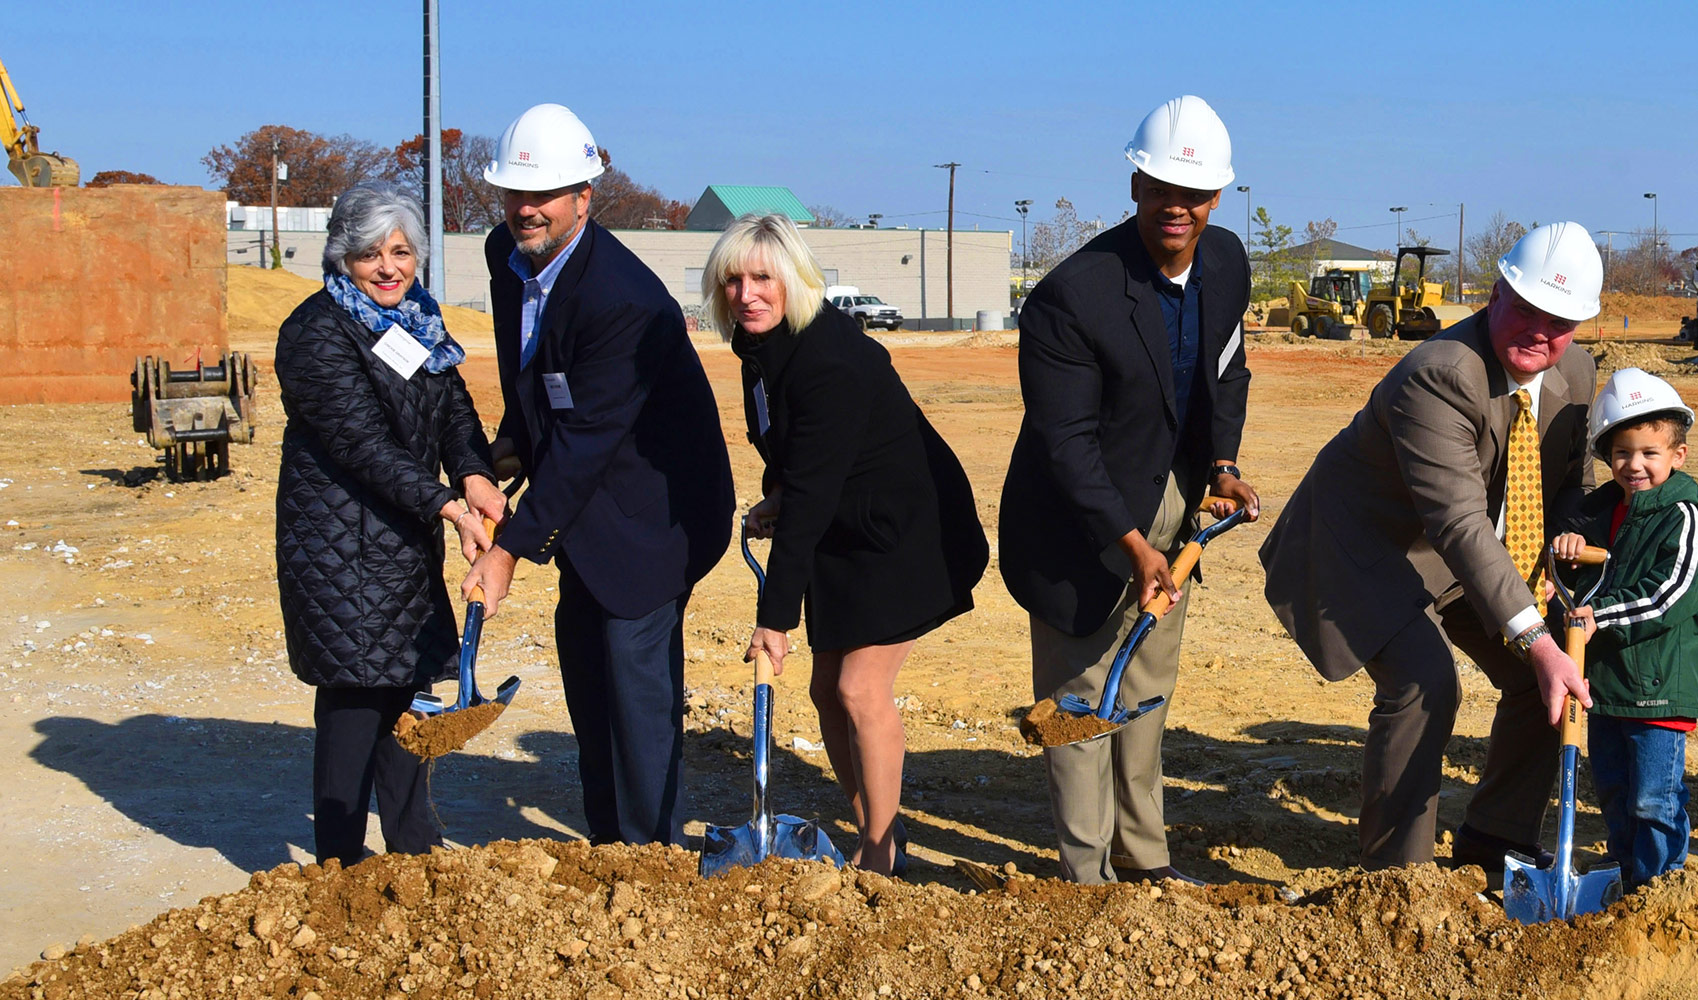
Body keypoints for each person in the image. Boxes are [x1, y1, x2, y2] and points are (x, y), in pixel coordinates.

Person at [1260, 222, 1603, 878]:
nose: (1540, 330)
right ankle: (1396, 879)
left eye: (1559, 321)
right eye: (1527, 307)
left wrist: (1563, 562)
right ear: (1497, 292)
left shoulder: (1579, 373)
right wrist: (1533, 636)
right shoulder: (1440, 373)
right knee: (1426, 681)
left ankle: (1495, 841)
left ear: (1580, 326)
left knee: (1550, 676)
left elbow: (1570, 485)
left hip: (1461, 556)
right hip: (1363, 549)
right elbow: (1459, 522)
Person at [998, 95, 1260, 886]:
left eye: (1194, 194)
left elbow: (1226, 372)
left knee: (1145, 682)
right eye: (1159, 187)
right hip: (1076, 518)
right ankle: (1086, 880)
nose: (1176, 206)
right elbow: (1066, 445)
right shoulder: (1071, 297)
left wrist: (1220, 466)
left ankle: (1144, 861)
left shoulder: (1226, 263)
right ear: (1136, 185)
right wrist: (1135, 544)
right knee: (1082, 701)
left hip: (1170, 493)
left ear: (1217, 198)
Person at [460, 103, 736, 846]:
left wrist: (509, 547)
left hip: (654, 515)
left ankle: (652, 855)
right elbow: (531, 369)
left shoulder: (624, 299)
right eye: (516, 193)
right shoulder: (506, 256)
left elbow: (588, 437)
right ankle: (611, 845)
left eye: (545, 193)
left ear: (585, 195)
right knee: (587, 670)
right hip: (586, 505)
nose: (527, 209)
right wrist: (509, 448)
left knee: (633, 686)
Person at [714, 212, 987, 875]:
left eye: (761, 278)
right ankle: (877, 834)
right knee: (825, 689)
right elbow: (796, 454)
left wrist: (775, 620)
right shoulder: (761, 351)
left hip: (906, 533)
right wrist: (779, 490)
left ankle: (881, 857)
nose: (746, 294)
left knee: (861, 688)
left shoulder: (827, 359)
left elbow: (812, 494)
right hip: (846, 522)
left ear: (794, 281)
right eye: (732, 280)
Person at [273, 181, 505, 863]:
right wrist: (446, 506)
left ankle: (414, 851)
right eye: (369, 253)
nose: (388, 267)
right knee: (353, 700)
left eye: (400, 252)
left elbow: (453, 406)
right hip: (338, 548)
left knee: (404, 694)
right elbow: (361, 443)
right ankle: (340, 862)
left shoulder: (414, 321)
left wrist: (472, 471)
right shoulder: (316, 331)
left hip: (398, 545)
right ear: (341, 256)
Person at [1545, 368, 1698, 887]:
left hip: (1658, 690)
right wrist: (1568, 552)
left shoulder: (1683, 517)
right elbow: (1572, 556)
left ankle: (1661, 889)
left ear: (1677, 455)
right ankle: (1626, 879)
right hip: (1605, 685)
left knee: (1653, 798)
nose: (1635, 465)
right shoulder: (1601, 511)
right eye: (1623, 453)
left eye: (1649, 452)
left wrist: (1602, 616)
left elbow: (1672, 593)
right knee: (1617, 794)